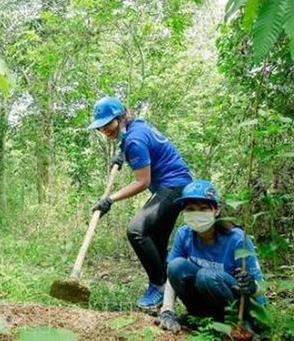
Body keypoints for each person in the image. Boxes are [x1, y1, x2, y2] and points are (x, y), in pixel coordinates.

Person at [88, 97, 193, 311]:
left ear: (121, 117)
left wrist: (110, 199)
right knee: (156, 239)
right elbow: (132, 140)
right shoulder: (136, 127)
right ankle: (168, 295)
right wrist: (120, 153)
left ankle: (158, 286)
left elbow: (142, 182)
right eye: (101, 126)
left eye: (109, 123)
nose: (105, 129)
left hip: (174, 187)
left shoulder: (135, 140)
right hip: (178, 184)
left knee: (137, 230)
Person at [156, 180, 266, 333]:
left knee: (206, 276)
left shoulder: (237, 239)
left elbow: (259, 285)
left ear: (216, 210)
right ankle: (200, 318)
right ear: (184, 212)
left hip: (236, 306)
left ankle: (236, 324)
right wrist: (167, 310)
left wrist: (252, 287)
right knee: (176, 266)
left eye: (203, 208)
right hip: (206, 301)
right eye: (191, 209)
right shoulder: (184, 234)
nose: (197, 213)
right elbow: (172, 274)